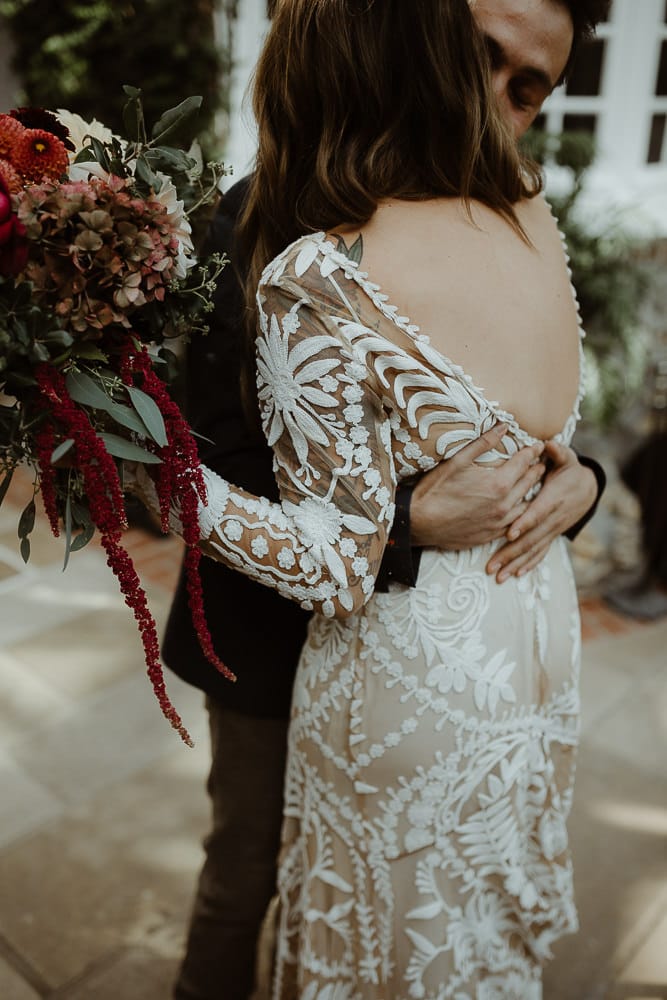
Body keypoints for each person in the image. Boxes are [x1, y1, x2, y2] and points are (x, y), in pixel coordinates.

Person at [159, 1, 608, 998]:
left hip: (423, 667)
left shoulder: (505, 223)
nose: (496, 101)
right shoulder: (246, 226)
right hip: (271, 643)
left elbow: (529, 421)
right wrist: (403, 522)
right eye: (483, 57)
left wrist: (581, 479)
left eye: (526, 88)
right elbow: (216, 457)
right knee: (246, 875)